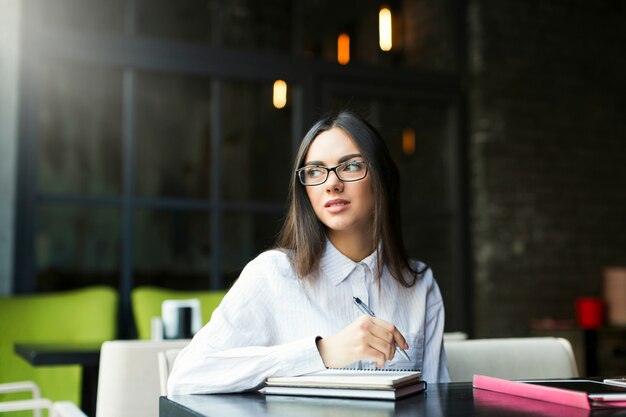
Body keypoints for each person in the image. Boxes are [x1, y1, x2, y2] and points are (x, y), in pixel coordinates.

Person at [168, 111, 450, 395]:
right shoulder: (272, 275)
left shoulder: (419, 284)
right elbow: (186, 377)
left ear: (382, 178)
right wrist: (323, 352)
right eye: (315, 171)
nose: (331, 184)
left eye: (350, 166)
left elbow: (436, 401)